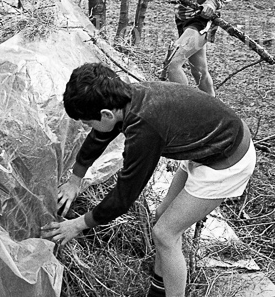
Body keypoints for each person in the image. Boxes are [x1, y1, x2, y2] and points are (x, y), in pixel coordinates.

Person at [42, 62, 256, 297]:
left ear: (106, 114)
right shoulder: (125, 97)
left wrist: (78, 224)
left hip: (227, 160)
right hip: (207, 142)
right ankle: (159, 287)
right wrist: (75, 180)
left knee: (165, 233)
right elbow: (100, 136)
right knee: (162, 216)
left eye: (87, 121)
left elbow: (125, 196)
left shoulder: (144, 129)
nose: (87, 126)